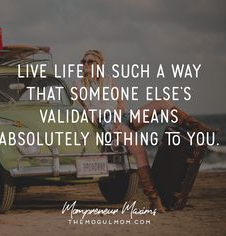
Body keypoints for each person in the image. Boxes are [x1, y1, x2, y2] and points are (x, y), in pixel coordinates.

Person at [72, 50, 216, 213]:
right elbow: (88, 110)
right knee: (140, 152)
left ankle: (195, 126)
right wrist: (110, 124)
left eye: (90, 62)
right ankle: (154, 199)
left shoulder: (109, 79)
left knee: (163, 102)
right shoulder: (79, 84)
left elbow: (121, 104)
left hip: (122, 118)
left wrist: (120, 118)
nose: (85, 65)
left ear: (100, 65)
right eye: (83, 62)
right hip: (108, 123)